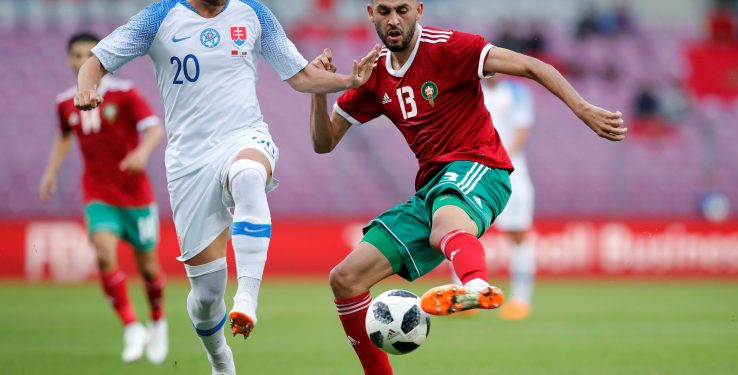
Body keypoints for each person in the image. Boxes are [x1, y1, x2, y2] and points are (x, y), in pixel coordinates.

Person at [309, 1, 626, 373]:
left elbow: (531, 65)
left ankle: (475, 285)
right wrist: (320, 90)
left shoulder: (449, 47)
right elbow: (324, 142)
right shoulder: (372, 74)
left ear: (419, 10)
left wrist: (583, 108)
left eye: (402, 10)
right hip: (432, 187)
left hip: (481, 165)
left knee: (445, 223)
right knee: (344, 279)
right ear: (370, 14)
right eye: (383, 11)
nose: (393, 20)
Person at [74, 1, 378, 373]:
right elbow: (96, 60)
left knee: (249, 175)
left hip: (244, 135)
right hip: (189, 162)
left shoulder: (254, 13)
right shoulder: (159, 16)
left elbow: (301, 76)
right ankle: (220, 359)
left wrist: (349, 80)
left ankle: (247, 298)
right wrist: (86, 88)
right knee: (205, 295)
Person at [40, 32, 168, 364]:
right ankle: (130, 326)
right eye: (76, 54)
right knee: (103, 254)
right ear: (70, 59)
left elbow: (154, 128)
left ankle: (157, 321)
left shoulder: (125, 94)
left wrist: (141, 153)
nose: (82, 60)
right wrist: (51, 171)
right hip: (98, 193)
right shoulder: (64, 102)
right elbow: (64, 137)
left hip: (136, 195)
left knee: (149, 268)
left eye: (89, 54)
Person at [449, 74, 537, 320]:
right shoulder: (471, 90)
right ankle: (465, 299)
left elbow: (521, 131)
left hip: (511, 173)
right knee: (460, 230)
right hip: (475, 171)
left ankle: (520, 300)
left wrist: (500, 160)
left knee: (518, 235)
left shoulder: (517, 92)